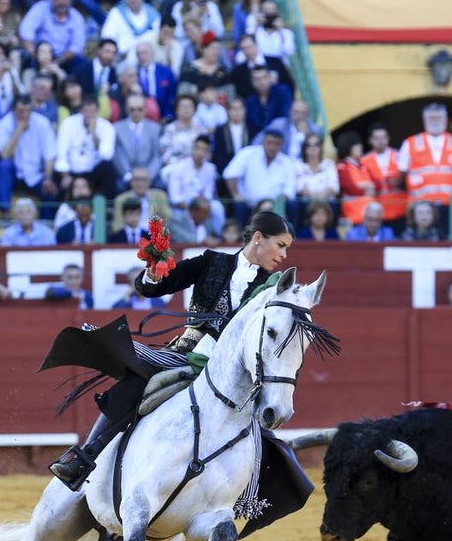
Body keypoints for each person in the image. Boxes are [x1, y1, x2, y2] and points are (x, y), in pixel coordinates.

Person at [48, 209, 294, 489]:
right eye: (281, 245)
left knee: (263, 424)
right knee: (138, 379)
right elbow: (160, 285)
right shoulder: (212, 262)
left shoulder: (272, 288)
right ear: (259, 238)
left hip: (236, 370)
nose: (284, 255)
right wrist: (153, 275)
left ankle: (252, 496)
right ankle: (84, 456)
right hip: (186, 352)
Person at [398, 102, 452, 211]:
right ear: (424, 120)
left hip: (450, 205)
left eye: (438, 117)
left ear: (446, 120)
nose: (435, 121)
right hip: (420, 206)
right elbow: (401, 173)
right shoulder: (410, 143)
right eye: (431, 118)